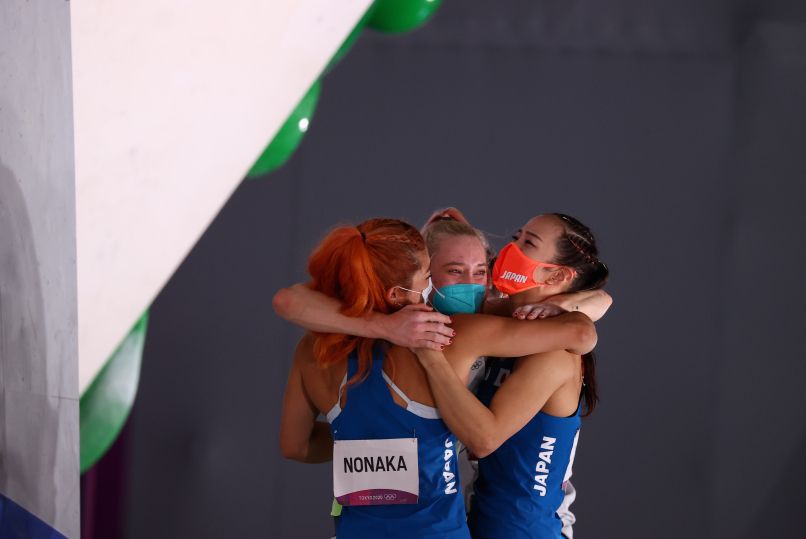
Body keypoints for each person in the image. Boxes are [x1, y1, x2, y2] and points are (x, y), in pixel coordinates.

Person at [273, 208, 612, 536]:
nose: (508, 252)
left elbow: (296, 445)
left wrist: (566, 305)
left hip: (520, 529)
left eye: (481, 270)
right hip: (467, 526)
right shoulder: (457, 332)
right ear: (426, 280)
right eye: (442, 272)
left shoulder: (315, 351)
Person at [414, 213, 609, 538]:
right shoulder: (507, 322)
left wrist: (428, 355)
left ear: (558, 274)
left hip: (529, 531)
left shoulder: (554, 348)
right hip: (482, 523)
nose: (510, 248)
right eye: (517, 236)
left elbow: (483, 441)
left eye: (528, 243)